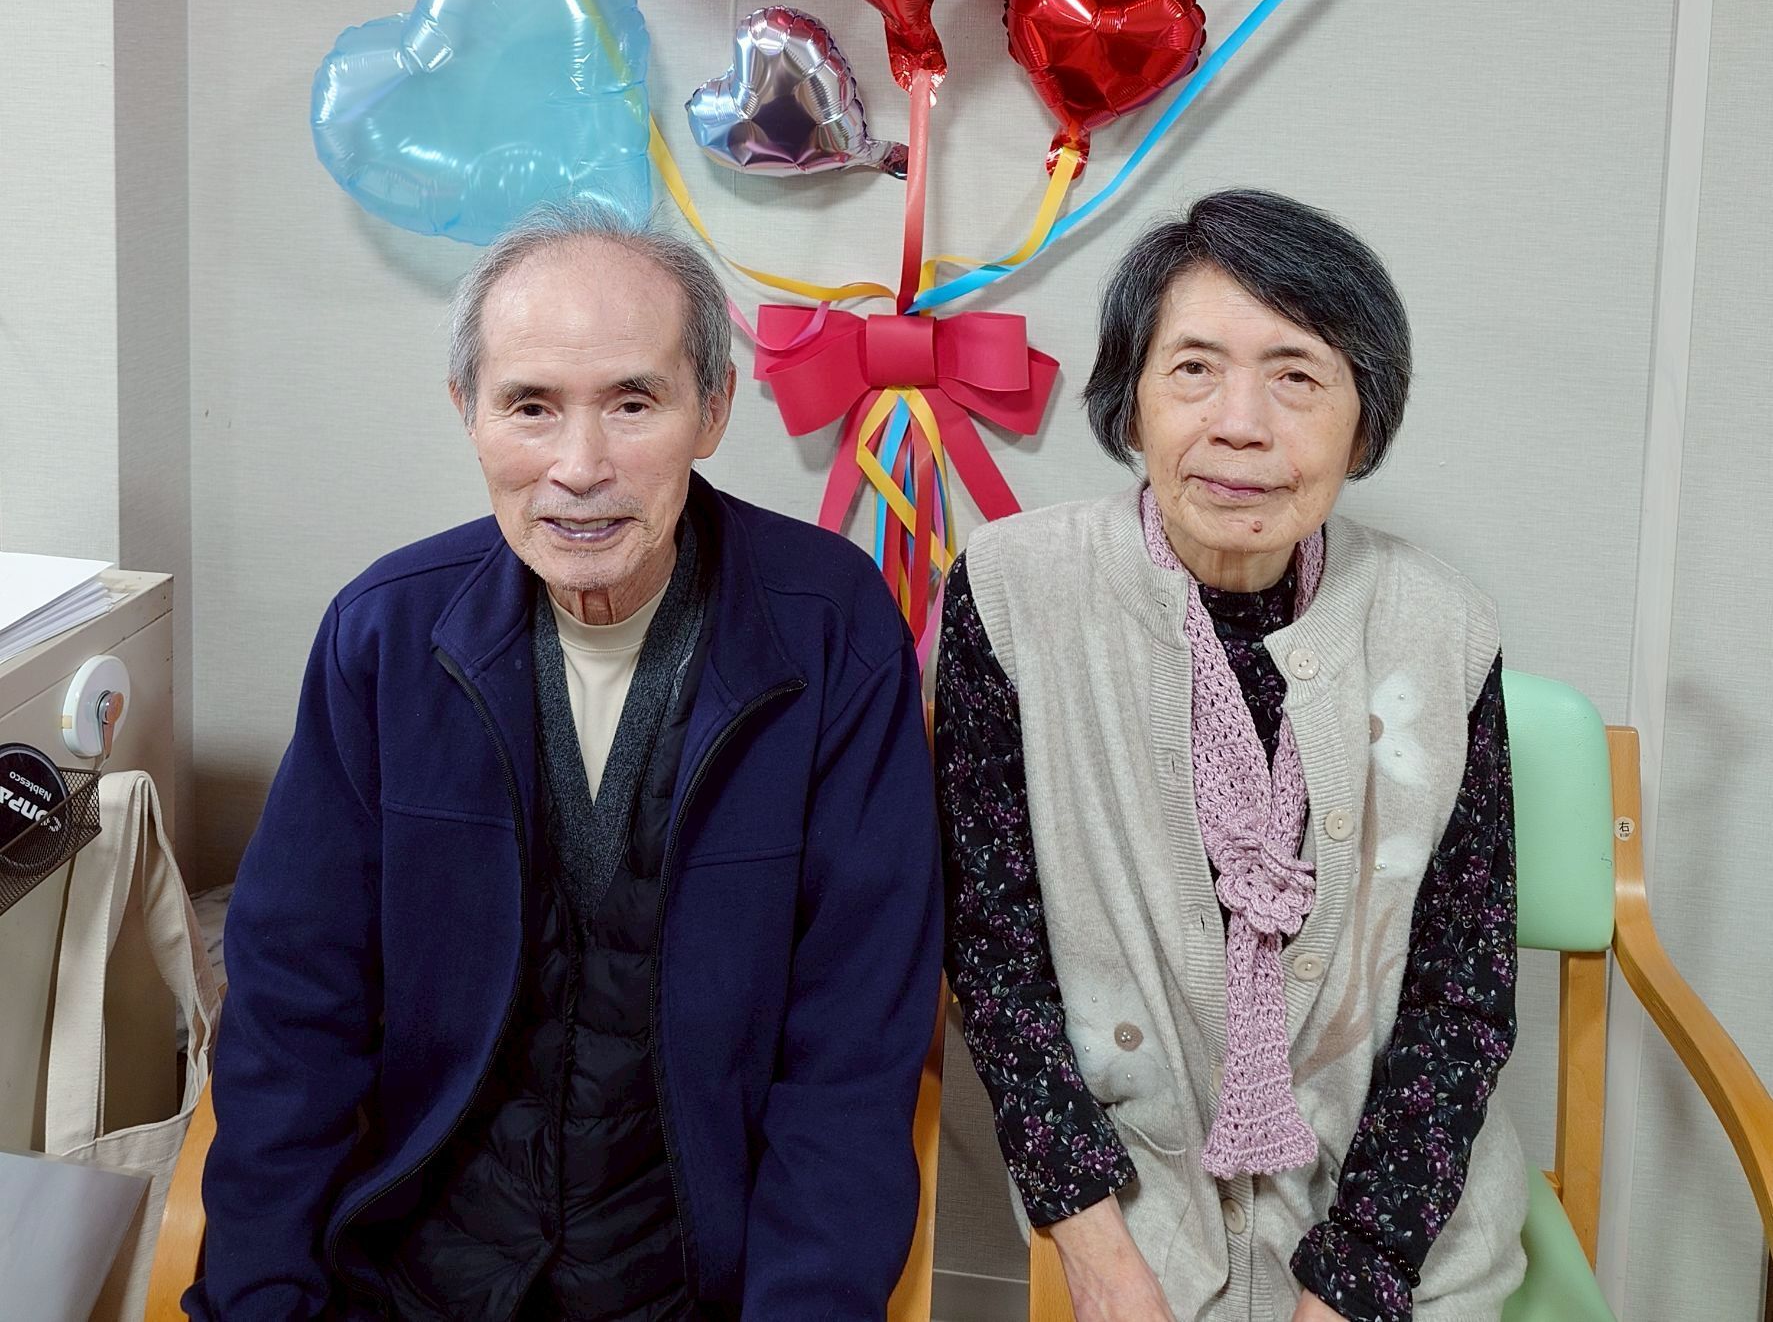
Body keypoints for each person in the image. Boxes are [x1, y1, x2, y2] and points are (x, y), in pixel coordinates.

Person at [191, 204, 942, 1322]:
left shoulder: (831, 631)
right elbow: (293, 1014)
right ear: (468, 411)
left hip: (704, 1284)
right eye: (530, 406)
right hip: (408, 1272)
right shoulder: (384, 635)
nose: (580, 468)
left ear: (712, 409)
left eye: (633, 404)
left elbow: (852, 1051)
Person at [936, 191, 1526, 1322]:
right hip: (1131, 1214)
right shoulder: (1013, 595)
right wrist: (1098, 1255)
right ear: (1131, 400)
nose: (1240, 425)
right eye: (1193, 369)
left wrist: (1357, 1278)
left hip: (1400, 1227)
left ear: (1364, 423)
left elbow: (1464, 995)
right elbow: (996, 956)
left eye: (1297, 375)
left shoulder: (1443, 627)